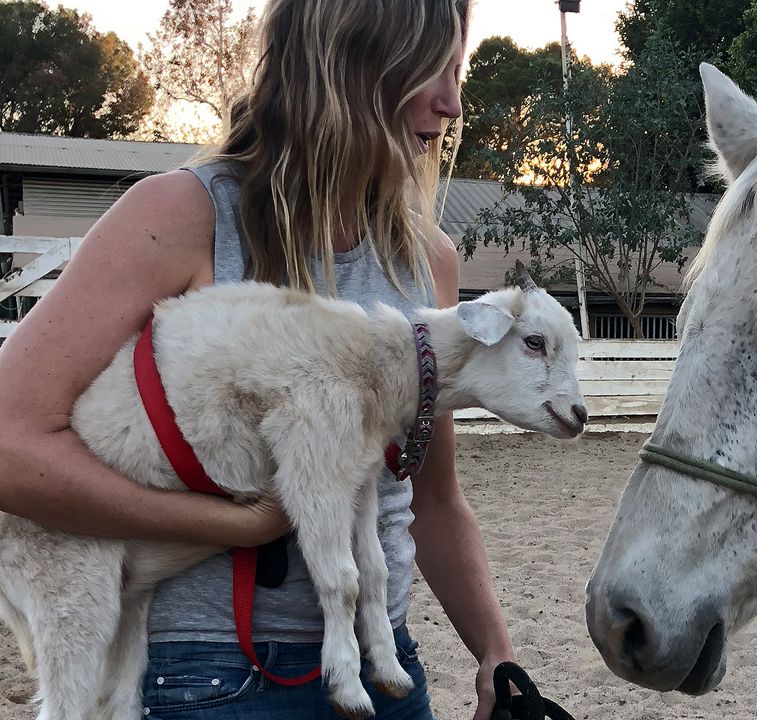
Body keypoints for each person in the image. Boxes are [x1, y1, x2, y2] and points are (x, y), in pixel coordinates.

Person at [0, 0, 515, 717]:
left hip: (384, 663)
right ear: (343, 64)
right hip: (215, 676)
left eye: (455, 71)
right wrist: (238, 526)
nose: (452, 103)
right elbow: (11, 446)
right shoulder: (179, 216)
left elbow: (429, 496)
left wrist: (496, 651)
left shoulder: (426, 259)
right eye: (430, 69)